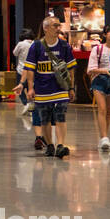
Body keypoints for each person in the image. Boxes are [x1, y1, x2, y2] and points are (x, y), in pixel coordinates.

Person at [23, 15, 75, 158]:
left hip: (60, 88)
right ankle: (50, 145)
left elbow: (71, 68)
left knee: (60, 117)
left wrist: (71, 87)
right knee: (45, 119)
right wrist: (31, 88)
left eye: (59, 25)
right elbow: (30, 69)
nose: (58, 28)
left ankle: (60, 145)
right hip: (42, 90)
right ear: (45, 28)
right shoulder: (37, 46)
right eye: (55, 26)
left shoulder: (64, 46)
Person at [12, 28, 34, 114]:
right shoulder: (35, 44)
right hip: (32, 71)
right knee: (30, 89)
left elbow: (15, 53)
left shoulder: (21, 44)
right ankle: (31, 105)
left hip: (21, 70)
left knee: (19, 90)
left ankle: (26, 104)